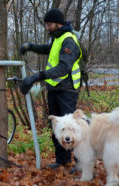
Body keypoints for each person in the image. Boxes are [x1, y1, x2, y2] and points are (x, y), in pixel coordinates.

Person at [19, 8, 82, 170]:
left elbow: (63, 68)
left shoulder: (69, 40)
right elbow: (48, 50)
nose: (47, 27)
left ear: (58, 24)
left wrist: (37, 76)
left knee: (72, 128)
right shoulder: (57, 37)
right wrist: (31, 46)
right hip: (54, 89)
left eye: (49, 24)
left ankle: (81, 163)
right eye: (46, 24)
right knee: (57, 127)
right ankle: (62, 160)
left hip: (67, 90)